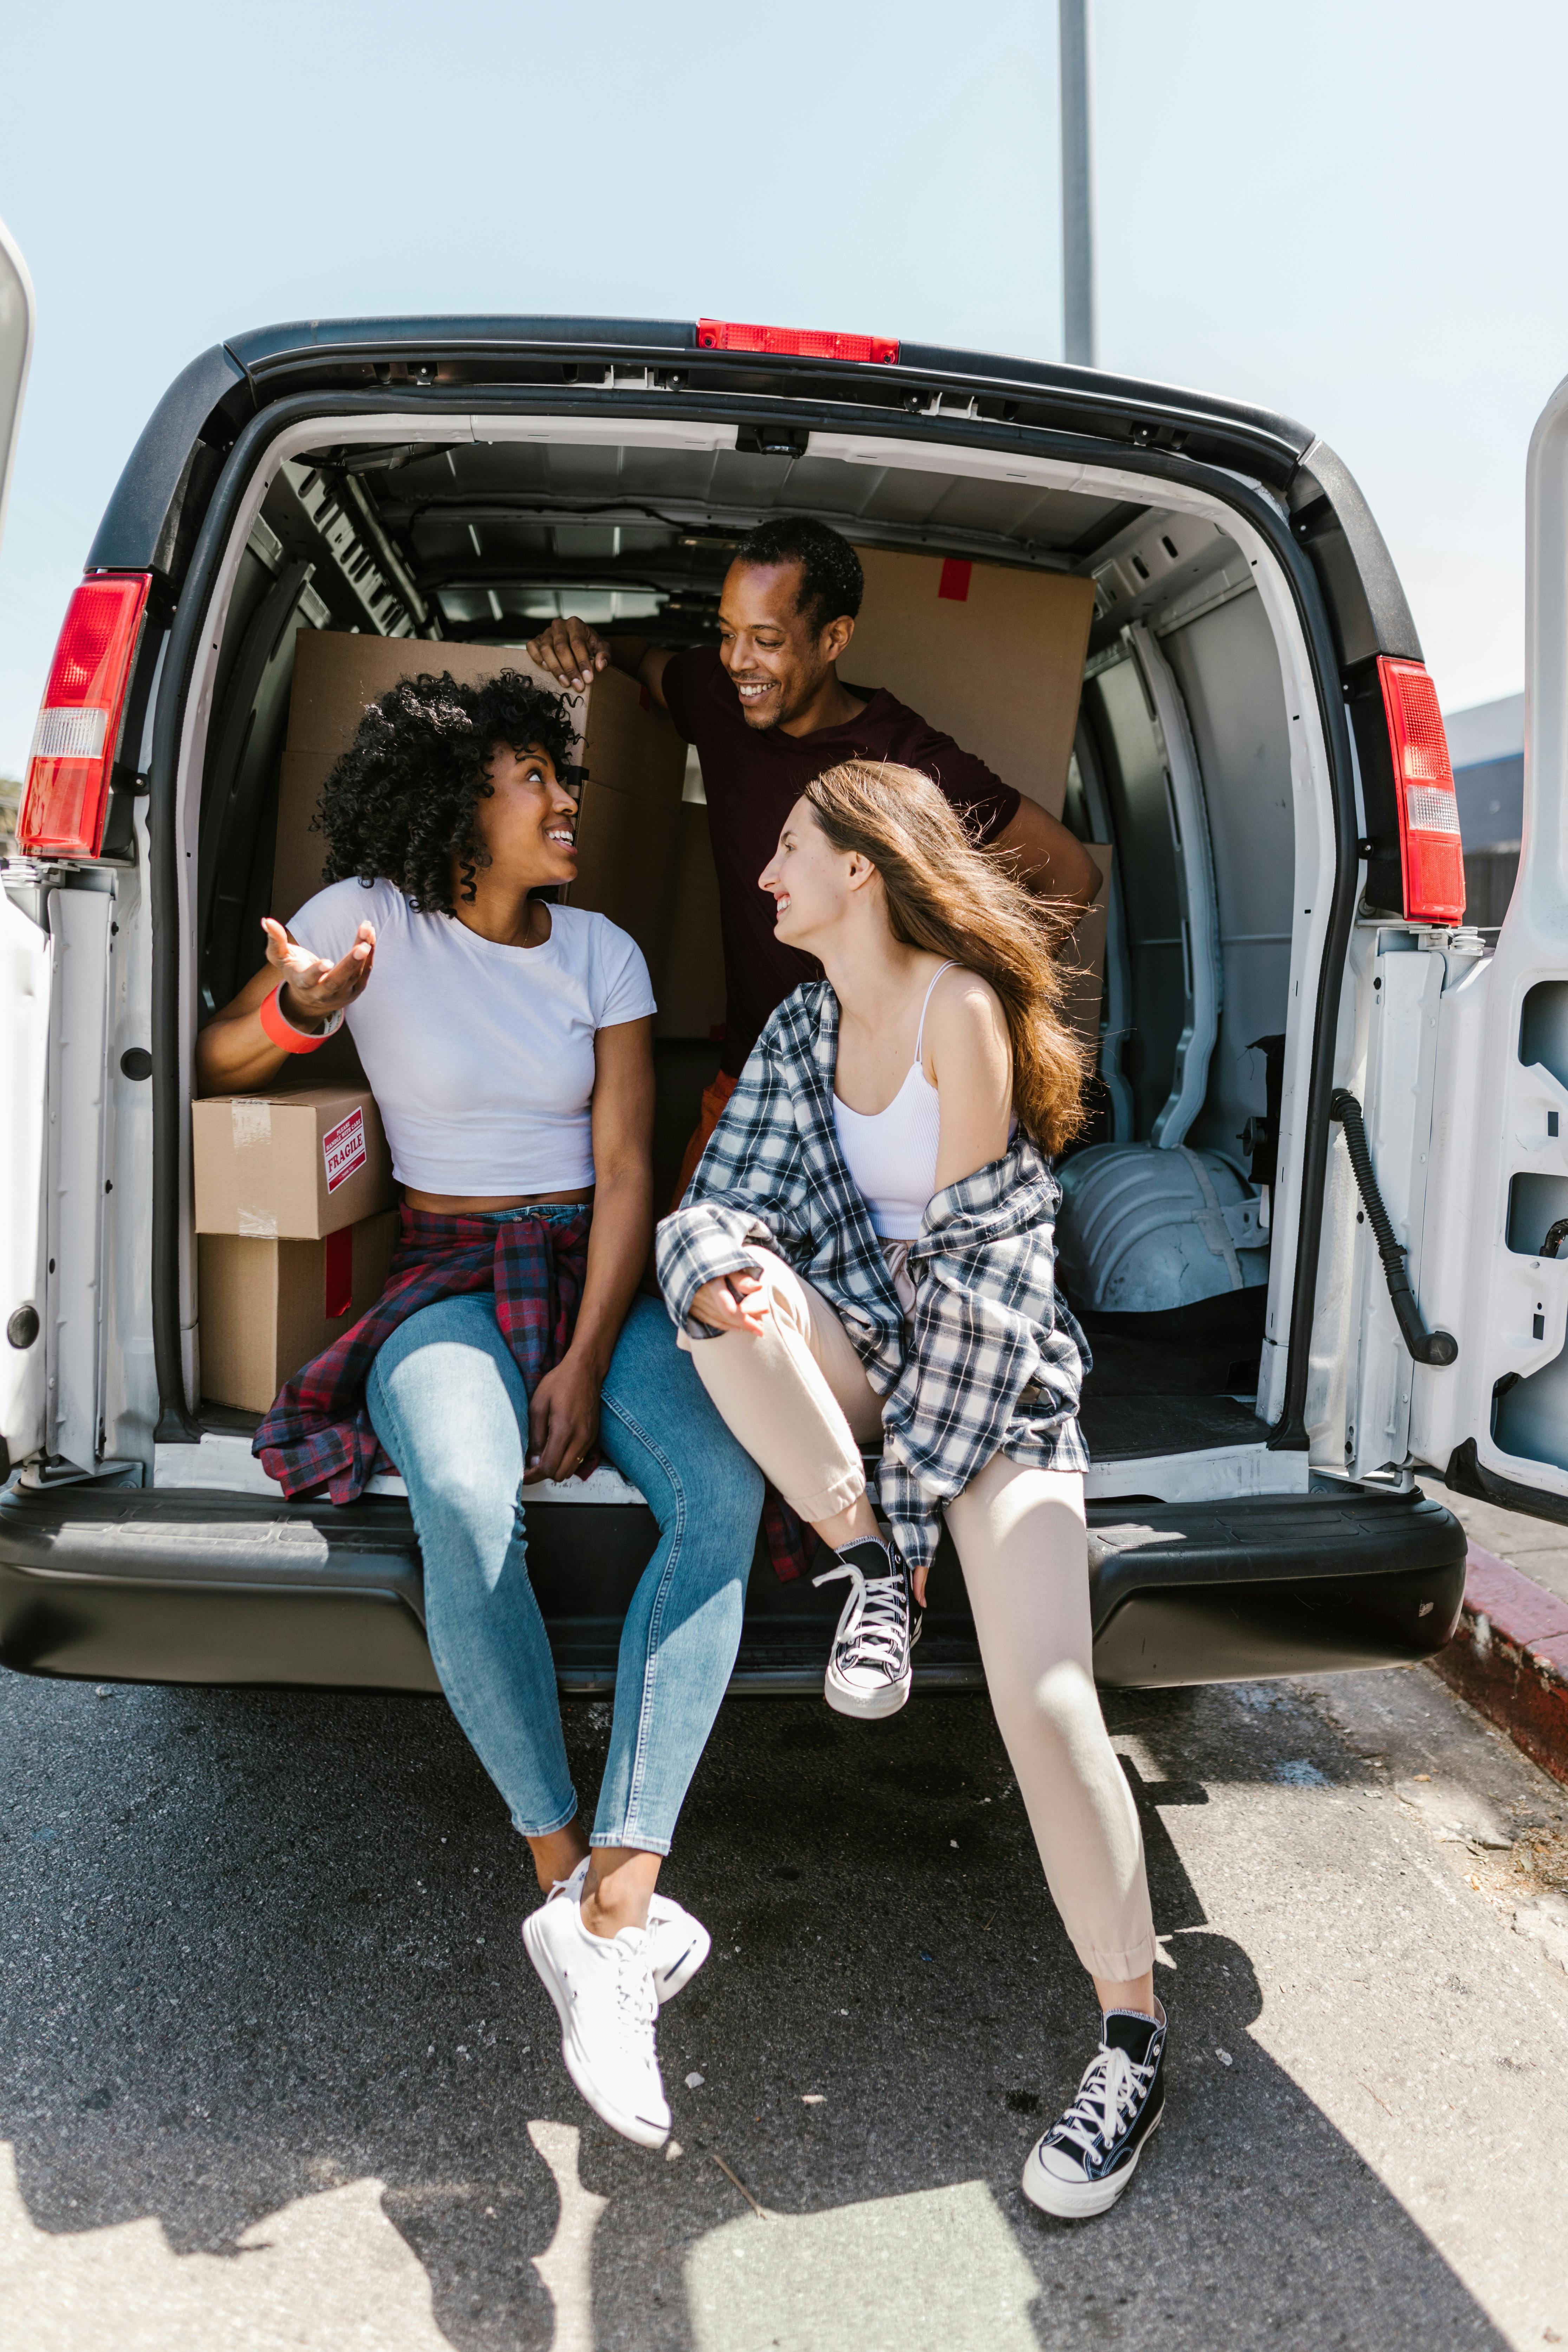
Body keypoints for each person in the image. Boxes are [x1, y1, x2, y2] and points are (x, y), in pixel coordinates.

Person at [196, 668, 764, 2156]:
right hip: (447, 1269)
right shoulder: (361, 916)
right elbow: (218, 1057)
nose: (569, 802)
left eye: (561, 780)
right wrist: (302, 1008)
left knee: (723, 1489)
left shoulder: (604, 949)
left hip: (596, 1269)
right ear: (461, 806)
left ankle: (626, 1895)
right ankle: (565, 1883)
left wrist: (585, 1358)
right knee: (459, 1492)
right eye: (536, 781)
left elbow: (633, 1167)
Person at [655, 758, 1165, 2220]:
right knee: (717, 1280)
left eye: (788, 850)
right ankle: (863, 1567)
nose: (765, 877)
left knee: (1048, 1696)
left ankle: (1131, 2029)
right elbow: (713, 1202)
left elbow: (996, 1287)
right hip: (863, 1366)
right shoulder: (799, 1026)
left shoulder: (964, 1011)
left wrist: (933, 1480)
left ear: (864, 866)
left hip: (992, 1383)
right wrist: (746, 1275)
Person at [525, 516, 1102, 1194]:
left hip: (867, 1096)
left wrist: (947, 1006)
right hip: (745, 1077)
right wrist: (581, 641)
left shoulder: (907, 761)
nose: (739, 659)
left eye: (766, 640)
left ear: (835, 639)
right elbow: (641, 658)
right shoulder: (716, 695)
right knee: (684, 1274)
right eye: (726, 632)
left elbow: (1070, 872)